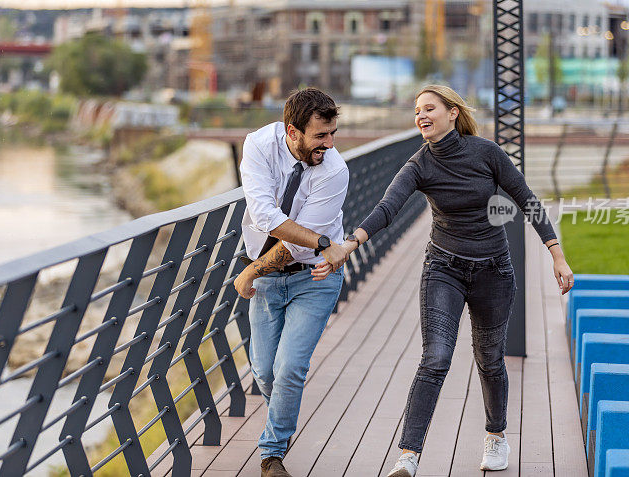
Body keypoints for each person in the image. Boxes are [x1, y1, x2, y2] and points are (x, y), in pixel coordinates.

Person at [317, 85, 574, 475]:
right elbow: (388, 207)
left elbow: (526, 198)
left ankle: (496, 435)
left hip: (494, 271)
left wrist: (557, 255)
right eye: (416, 110)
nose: (420, 115)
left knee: (489, 360)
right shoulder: (418, 165)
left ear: (453, 113)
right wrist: (351, 243)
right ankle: (408, 457)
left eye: (429, 108)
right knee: (435, 358)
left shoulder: (486, 153)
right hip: (444, 269)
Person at [233, 87, 350, 477]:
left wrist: (251, 270)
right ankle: (283, 414)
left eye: (333, 133)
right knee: (265, 371)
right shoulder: (259, 145)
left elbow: (299, 248)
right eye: (320, 135)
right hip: (269, 282)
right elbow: (264, 213)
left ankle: (271, 455)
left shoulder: (334, 169)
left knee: (289, 368)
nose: (329, 144)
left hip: (313, 279)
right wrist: (322, 242)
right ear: (292, 131)